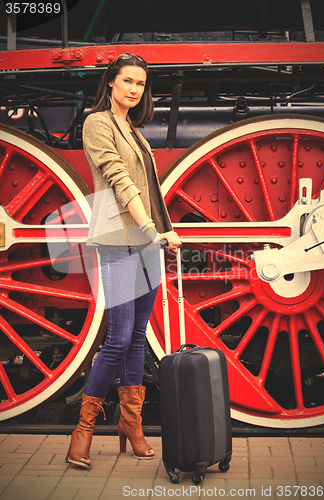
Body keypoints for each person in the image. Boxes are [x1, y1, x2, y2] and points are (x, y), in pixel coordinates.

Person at [65, 54, 181, 468]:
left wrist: (159, 233)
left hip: (147, 243)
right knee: (116, 338)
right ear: (111, 82)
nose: (135, 89)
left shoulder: (133, 129)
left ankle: (131, 424)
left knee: (136, 338)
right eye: (128, 80)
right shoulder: (98, 122)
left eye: (141, 84)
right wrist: (152, 228)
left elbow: (147, 187)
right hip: (119, 239)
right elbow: (119, 180)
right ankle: (83, 432)